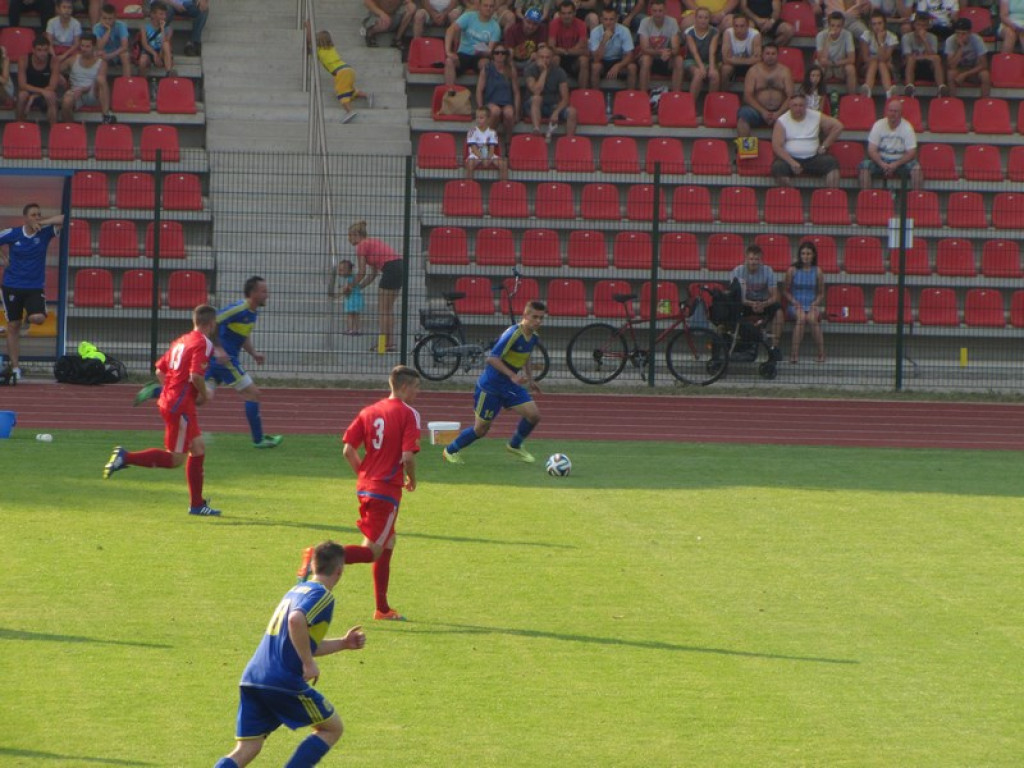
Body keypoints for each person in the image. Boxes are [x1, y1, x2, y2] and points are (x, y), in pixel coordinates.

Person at [212, 541, 367, 768]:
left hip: (253, 677)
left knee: (248, 747)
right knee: (332, 728)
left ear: (313, 566)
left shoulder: (295, 590)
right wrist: (308, 664)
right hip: (281, 680)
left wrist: (343, 643)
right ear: (339, 570)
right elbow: (296, 620)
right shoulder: (322, 595)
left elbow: (300, 639)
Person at [103, 304, 221, 517]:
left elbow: (160, 370)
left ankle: (197, 504)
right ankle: (125, 457)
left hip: (174, 402)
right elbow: (196, 377)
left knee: (198, 447)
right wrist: (204, 394)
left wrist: (171, 391)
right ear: (211, 324)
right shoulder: (203, 343)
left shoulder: (181, 341)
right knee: (175, 459)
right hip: (180, 406)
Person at [340, 366, 422, 621]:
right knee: (373, 551)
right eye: (417, 388)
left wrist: (364, 476)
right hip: (386, 491)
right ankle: (322, 554)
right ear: (406, 387)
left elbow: (348, 450)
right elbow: (407, 456)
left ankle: (382, 609)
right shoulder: (408, 414)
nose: (418, 393)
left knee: (388, 543)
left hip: (367, 487)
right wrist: (412, 478)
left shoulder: (369, 411)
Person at [443, 300, 546, 465]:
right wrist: (513, 375)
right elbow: (491, 358)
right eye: (535, 317)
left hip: (509, 386)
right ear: (525, 315)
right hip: (490, 387)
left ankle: (515, 445)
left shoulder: (533, 337)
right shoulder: (513, 334)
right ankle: (450, 450)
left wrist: (531, 379)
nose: (538, 321)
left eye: (541, 318)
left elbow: (526, 356)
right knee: (481, 430)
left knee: (534, 415)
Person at [0, 204, 64, 382]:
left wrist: (42, 222)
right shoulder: (14, 233)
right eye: (33, 215)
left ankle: (29, 314)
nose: (36, 217)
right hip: (12, 285)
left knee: (38, 318)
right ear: (25, 217)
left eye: (39, 214)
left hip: (34, 286)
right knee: (13, 326)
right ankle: (15, 367)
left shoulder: (45, 233)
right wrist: (4, 258)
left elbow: (64, 219)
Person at [344, 221, 404, 353]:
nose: (349, 239)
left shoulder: (362, 246)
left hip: (391, 269)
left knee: (383, 311)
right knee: (388, 310)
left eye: (350, 236)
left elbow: (361, 272)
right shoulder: (372, 243)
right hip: (399, 266)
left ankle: (382, 345)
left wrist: (349, 286)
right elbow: (373, 274)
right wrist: (358, 287)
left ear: (356, 234)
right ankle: (390, 343)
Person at [771, 91, 843, 187]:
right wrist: (792, 162)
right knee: (778, 167)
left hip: (813, 158)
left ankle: (830, 196)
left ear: (805, 106)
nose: (798, 108)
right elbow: (777, 146)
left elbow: (838, 126)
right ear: (789, 106)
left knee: (832, 163)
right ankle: (791, 196)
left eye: (801, 105)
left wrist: (824, 146)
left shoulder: (815, 115)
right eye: (795, 105)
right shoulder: (782, 121)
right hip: (790, 159)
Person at [730, 244, 783, 357]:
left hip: (763, 302)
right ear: (746, 259)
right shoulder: (738, 271)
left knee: (778, 311)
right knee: (733, 307)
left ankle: (775, 347)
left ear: (761, 260)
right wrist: (752, 304)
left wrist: (763, 304)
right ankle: (738, 343)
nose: (753, 262)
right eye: (751, 259)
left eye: (756, 259)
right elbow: (739, 297)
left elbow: (774, 296)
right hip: (745, 303)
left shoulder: (768, 271)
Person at [859, 97, 923, 189]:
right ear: (887, 112)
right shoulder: (878, 125)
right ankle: (866, 200)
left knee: (917, 169)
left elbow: (911, 152)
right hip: (881, 161)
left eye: (896, 111)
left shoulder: (907, 127)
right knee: (864, 167)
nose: (893, 114)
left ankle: (916, 200)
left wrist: (896, 164)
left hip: (900, 162)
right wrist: (882, 164)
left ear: (901, 113)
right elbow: (871, 149)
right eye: (891, 111)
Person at [736, 42, 794, 137]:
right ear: (762, 55)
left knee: (797, 110)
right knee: (743, 115)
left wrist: (778, 113)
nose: (770, 56)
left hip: (780, 112)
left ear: (777, 55)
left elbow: (791, 96)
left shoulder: (785, 71)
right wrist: (763, 112)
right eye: (767, 53)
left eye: (773, 54)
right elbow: (747, 96)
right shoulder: (753, 71)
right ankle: (746, 150)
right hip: (757, 112)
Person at [783, 241, 826, 364]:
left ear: (813, 255)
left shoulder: (818, 271)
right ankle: (794, 353)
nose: (805, 256)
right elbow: (785, 291)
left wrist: (815, 303)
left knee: (812, 319)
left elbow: (821, 293)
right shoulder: (792, 270)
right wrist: (794, 302)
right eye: (803, 253)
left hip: (811, 304)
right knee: (801, 318)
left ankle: (821, 354)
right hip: (795, 304)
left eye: (808, 253)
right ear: (799, 255)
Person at [60, 32, 117, 123]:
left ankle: (106, 115)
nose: (84, 49)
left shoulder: (101, 63)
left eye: (87, 46)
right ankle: (71, 129)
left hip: (93, 93)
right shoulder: (73, 59)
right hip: (76, 92)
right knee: (66, 102)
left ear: (94, 47)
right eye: (82, 46)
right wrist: (59, 76)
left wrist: (83, 89)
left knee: (100, 79)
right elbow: (56, 69)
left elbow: (100, 81)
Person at [524, 43, 578, 139]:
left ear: (552, 58)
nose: (544, 60)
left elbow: (565, 97)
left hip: (552, 105)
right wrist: (544, 72)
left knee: (572, 112)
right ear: (537, 57)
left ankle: (569, 142)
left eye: (547, 57)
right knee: (537, 98)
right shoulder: (530, 69)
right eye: (542, 57)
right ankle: (536, 129)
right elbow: (536, 91)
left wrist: (556, 112)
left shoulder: (559, 72)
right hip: (534, 106)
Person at [315, 29, 371, 121]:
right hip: (348, 69)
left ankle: (349, 111)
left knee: (341, 92)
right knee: (349, 90)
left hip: (341, 72)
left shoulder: (319, 51)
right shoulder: (331, 48)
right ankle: (366, 95)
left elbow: (309, 45)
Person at [444, 0, 502, 84]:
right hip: (463, 53)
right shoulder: (468, 16)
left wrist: (484, 52)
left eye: (491, 6)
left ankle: (482, 94)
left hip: (480, 57)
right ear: (480, 6)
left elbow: (490, 50)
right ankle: (450, 92)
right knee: (449, 61)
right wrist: (448, 51)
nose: (488, 8)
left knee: (486, 64)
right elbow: (450, 30)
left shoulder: (496, 27)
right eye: (486, 6)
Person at [476, 43, 521, 143]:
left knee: (509, 114)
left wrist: (517, 112)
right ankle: (489, 139)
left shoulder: (511, 69)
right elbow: (479, 89)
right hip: (491, 101)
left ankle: (508, 142)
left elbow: (516, 92)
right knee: (495, 111)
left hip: (506, 102)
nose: (500, 55)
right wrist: (480, 108)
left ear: (506, 55)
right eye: (497, 53)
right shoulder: (486, 69)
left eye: (503, 53)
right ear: (493, 55)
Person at [637, 0, 683, 93]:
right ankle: (643, 95)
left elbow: (676, 48)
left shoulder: (672, 22)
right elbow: (644, 48)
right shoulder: (644, 22)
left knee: (679, 60)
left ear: (665, 10)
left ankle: (676, 95)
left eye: (660, 11)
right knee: (646, 59)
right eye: (655, 11)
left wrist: (668, 53)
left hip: (666, 58)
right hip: (651, 58)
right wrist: (660, 52)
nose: (657, 14)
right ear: (650, 11)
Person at [589, 6, 638, 89]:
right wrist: (604, 41)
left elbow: (630, 56)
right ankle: (595, 97)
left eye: (611, 19)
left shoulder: (624, 31)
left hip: (619, 60)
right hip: (602, 61)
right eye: (606, 19)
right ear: (601, 19)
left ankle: (630, 97)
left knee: (632, 67)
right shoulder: (595, 32)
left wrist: (618, 66)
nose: (608, 22)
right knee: (595, 67)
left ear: (616, 19)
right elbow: (596, 59)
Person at [16, 36, 61, 124]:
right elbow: (22, 85)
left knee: (52, 96)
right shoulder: (24, 59)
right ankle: (20, 127)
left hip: (46, 92)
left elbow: (52, 86)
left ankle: (53, 132)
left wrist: (34, 96)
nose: (43, 53)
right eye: (39, 50)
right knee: (22, 95)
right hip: (29, 91)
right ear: (33, 50)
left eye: (45, 50)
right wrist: (40, 92)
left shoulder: (54, 61)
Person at [901, 10, 946, 94]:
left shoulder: (932, 37)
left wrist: (924, 40)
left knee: (937, 58)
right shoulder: (907, 37)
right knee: (911, 59)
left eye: (924, 25)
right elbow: (908, 57)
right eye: (918, 25)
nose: (921, 28)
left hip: (927, 68)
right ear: (914, 25)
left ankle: (941, 87)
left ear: (928, 26)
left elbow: (933, 56)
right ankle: (909, 86)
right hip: (912, 68)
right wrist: (924, 57)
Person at [944, 16, 991, 96]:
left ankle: (984, 103)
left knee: (985, 75)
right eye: (958, 33)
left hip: (974, 69)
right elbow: (951, 65)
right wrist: (961, 48)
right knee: (950, 74)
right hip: (958, 69)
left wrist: (965, 74)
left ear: (969, 33)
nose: (960, 36)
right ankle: (952, 103)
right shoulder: (950, 40)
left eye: (963, 33)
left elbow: (984, 64)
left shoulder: (977, 40)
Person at [548, 0, 590, 87]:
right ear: (559, 14)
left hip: (574, 60)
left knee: (584, 61)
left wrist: (565, 51)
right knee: (554, 58)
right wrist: (572, 50)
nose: (566, 16)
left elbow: (584, 50)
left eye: (569, 13)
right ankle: (555, 92)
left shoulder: (581, 25)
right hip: (560, 58)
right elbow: (551, 47)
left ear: (574, 13)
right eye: (563, 13)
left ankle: (582, 95)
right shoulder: (554, 24)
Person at [815, 11, 858, 94]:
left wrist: (835, 63)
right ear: (828, 25)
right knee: (818, 67)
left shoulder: (847, 35)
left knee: (850, 68)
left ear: (842, 26)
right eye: (832, 25)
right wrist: (828, 41)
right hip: (826, 67)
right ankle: (817, 97)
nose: (835, 29)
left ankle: (851, 98)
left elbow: (852, 59)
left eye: (838, 26)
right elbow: (821, 60)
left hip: (840, 66)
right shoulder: (820, 36)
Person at [683, 6, 721, 101]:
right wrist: (701, 67)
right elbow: (694, 52)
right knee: (698, 74)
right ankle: (690, 105)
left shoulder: (715, 32)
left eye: (706, 17)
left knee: (715, 75)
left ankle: (711, 105)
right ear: (695, 19)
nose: (703, 20)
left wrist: (711, 68)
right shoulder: (689, 32)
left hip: (709, 60)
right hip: (692, 61)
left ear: (709, 19)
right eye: (700, 17)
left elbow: (712, 51)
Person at [860, 9, 899, 95]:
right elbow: (866, 59)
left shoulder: (892, 37)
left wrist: (881, 42)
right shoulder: (866, 35)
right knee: (875, 62)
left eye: (879, 23)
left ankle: (888, 93)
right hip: (868, 67)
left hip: (886, 69)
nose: (877, 27)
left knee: (881, 63)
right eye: (874, 24)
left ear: (884, 23)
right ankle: (867, 92)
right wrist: (878, 58)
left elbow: (884, 58)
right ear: (870, 25)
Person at [466, 106, 509, 180]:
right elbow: (474, 148)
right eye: (477, 118)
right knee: (470, 163)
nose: (478, 120)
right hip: (475, 155)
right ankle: (470, 186)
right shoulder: (472, 131)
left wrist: (488, 158)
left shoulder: (492, 132)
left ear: (488, 119)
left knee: (503, 164)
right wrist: (482, 158)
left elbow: (492, 149)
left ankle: (503, 186)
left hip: (489, 154)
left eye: (481, 118)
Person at [135, 0, 174, 79]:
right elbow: (144, 44)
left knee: (166, 44)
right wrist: (154, 54)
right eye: (161, 14)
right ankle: (143, 81)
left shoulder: (168, 29)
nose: (163, 16)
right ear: (153, 14)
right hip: (150, 52)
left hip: (162, 53)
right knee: (142, 61)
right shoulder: (144, 28)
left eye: (164, 14)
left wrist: (162, 29)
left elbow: (165, 43)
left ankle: (168, 73)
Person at [720, 13, 762, 86]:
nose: (739, 29)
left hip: (748, 66)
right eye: (736, 26)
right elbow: (725, 59)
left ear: (747, 26)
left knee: (758, 68)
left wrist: (733, 59)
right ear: (733, 26)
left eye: (742, 26)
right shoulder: (728, 33)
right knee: (725, 69)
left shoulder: (755, 34)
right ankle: (724, 95)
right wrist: (749, 60)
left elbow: (757, 59)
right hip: (734, 65)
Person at [94, 3, 132, 76]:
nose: (107, 21)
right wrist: (108, 31)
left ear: (115, 18)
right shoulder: (97, 28)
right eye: (104, 18)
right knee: (97, 55)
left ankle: (127, 83)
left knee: (125, 55)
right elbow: (99, 47)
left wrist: (111, 55)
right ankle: (100, 83)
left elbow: (125, 46)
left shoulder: (121, 25)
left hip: (117, 53)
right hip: (104, 54)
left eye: (110, 19)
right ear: (100, 18)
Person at [46, 0, 81, 66]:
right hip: (54, 49)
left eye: (69, 7)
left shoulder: (76, 23)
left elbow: (76, 44)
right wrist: (53, 56)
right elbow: (49, 42)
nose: (67, 10)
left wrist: (64, 56)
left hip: (70, 50)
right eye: (64, 7)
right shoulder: (51, 22)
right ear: (58, 9)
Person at [336, 260, 363, 335]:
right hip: (357, 299)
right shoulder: (354, 278)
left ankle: (350, 329)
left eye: (341, 270)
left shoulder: (349, 279)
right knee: (356, 315)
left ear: (349, 271)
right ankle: (357, 329)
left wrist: (341, 290)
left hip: (351, 299)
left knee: (350, 315)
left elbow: (347, 289)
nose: (339, 272)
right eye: (339, 270)